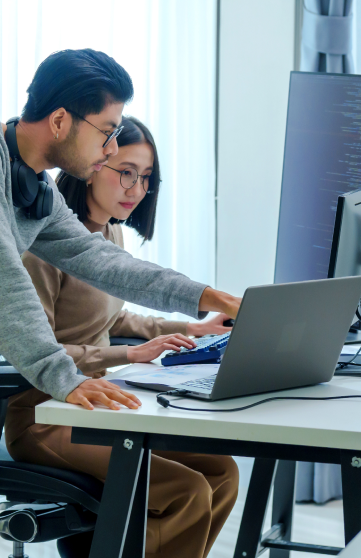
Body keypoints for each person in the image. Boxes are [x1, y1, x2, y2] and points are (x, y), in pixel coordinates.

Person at [6, 115, 238, 558]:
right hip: (44, 414)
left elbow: (109, 315)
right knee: (187, 491)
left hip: (97, 405)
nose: (136, 188)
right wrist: (127, 354)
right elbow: (31, 349)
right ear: (96, 165)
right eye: (126, 172)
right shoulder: (44, 246)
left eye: (146, 178)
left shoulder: (109, 233)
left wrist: (190, 327)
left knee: (222, 472)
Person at [0, 48, 241, 416]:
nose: (111, 148)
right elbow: (6, 285)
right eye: (107, 133)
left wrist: (212, 298)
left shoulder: (36, 190)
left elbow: (105, 263)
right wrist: (66, 378)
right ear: (60, 121)